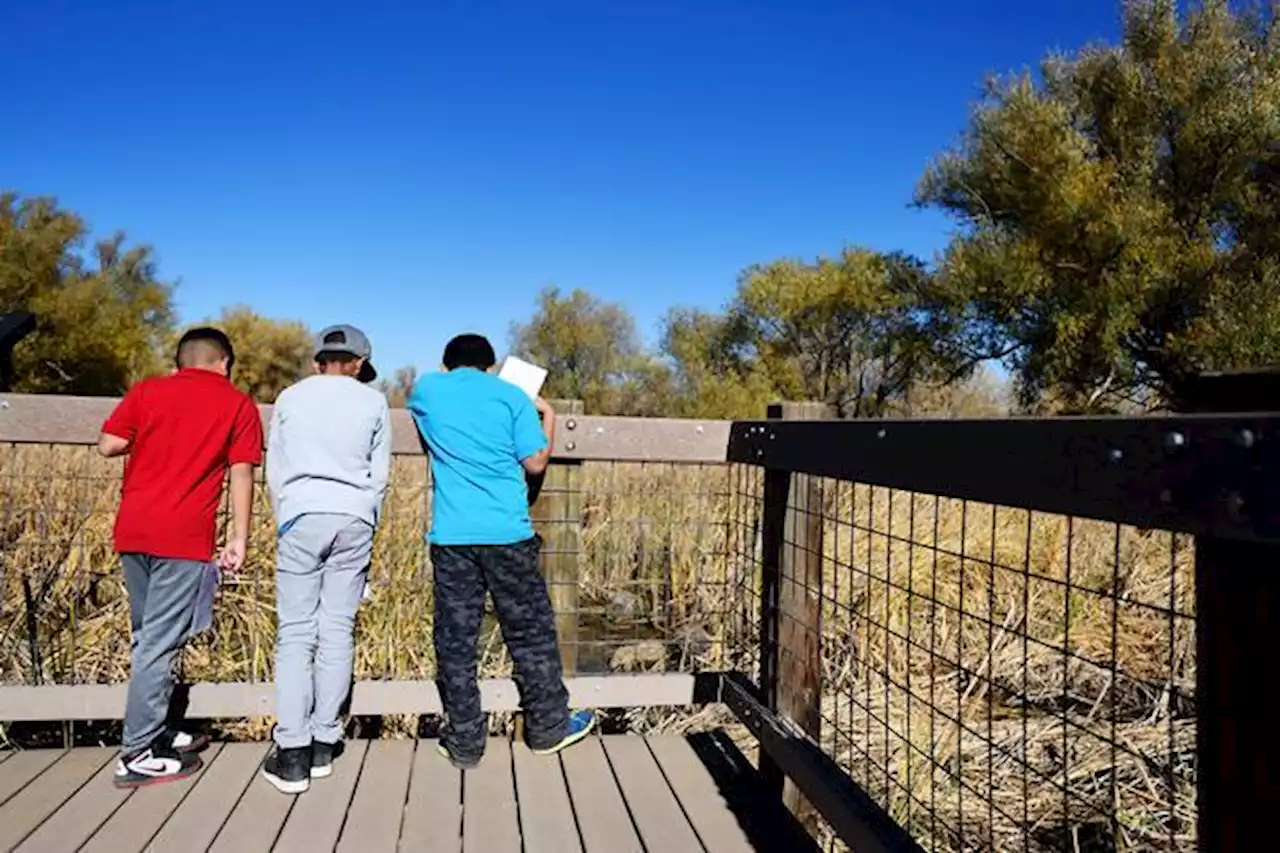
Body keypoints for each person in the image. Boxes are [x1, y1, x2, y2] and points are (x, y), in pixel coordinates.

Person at [407, 334, 594, 769]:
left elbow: (424, 409)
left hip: (452, 537)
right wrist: (547, 414)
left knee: (456, 638)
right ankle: (548, 728)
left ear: (447, 362)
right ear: (491, 365)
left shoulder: (428, 390)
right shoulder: (511, 396)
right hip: (508, 533)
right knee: (529, 631)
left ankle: (465, 741)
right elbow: (535, 463)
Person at [99, 327, 263, 788]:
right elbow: (242, 473)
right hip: (183, 537)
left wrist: (153, 434)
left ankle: (156, 730)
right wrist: (239, 538)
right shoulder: (237, 404)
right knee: (161, 643)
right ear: (224, 363)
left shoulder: (148, 390)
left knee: (145, 637)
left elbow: (108, 444)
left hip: (133, 529)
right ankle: (137, 752)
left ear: (180, 361)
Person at [261, 325, 392, 794]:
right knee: (337, 628)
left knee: (296, 633)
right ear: (358, 364)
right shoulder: (373, 402)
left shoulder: (290, 398)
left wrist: (286, 517)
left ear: (320, 359)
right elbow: (380, 475)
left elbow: (274, 469)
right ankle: (324, 741)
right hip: (354, 518)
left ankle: (292, 751)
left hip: (301, 514)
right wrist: (367, 517)